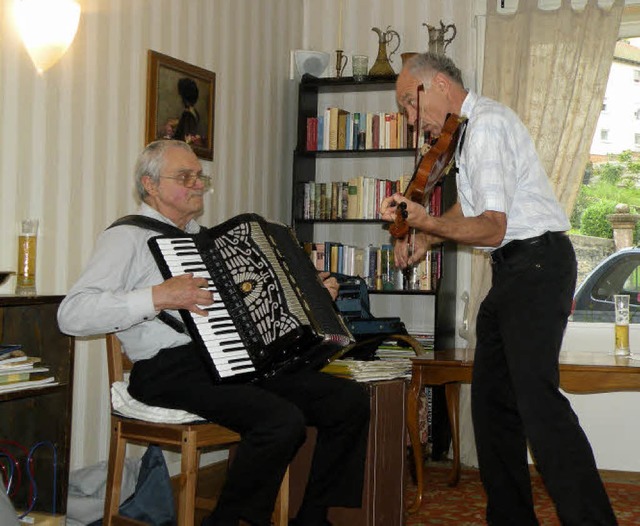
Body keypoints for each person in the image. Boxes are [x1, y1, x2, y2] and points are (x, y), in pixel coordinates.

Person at [58, 139, 370, 526]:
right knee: (280, 420)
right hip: (164, 369)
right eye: (184, 177)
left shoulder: (206, 241)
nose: (196, 185)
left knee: (347, 400)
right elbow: (72, 314)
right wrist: (155, 296)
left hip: (228, 362)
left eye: (199, 177)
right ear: (149, 185)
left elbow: (257, 310)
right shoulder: (127, 238)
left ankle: (313, 518)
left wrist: (313, 296)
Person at [381, 53, 617, 525]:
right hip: (517, 269)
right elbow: (475, 216)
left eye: (411, 103)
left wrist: (425, 220)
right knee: (492, 409)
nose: (410, 119)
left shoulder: (485, 127)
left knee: (537, 404)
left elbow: (491, 228)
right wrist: (426, 234)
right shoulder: (467, 132)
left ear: (441, 85)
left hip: (536, 264)